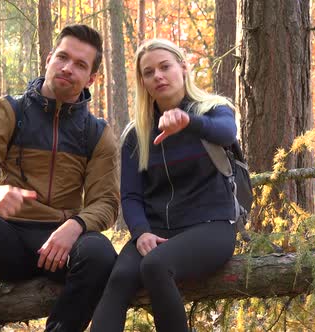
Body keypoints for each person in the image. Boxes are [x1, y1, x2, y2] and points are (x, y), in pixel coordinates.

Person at [0, 24, 119, 332]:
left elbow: (107, 202)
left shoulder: (97, 133)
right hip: (7, 240)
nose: (67, 67)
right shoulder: (7, 111)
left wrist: (75, 226)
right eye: (62, 57)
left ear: (91, 78)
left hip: (60, 247)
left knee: (100, 252)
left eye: (80, 64)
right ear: (48, 59)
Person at [90, 38, 238, 332]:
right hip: (157, 231)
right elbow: (131, 196)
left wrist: (188, 122)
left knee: (155, 265)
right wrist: (141, 232)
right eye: (148, 72)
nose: (157, 75)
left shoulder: (213, 109)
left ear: (183, 68)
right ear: (143, 82)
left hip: (213, 225)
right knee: (119, 278)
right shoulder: (136, 134)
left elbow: (227, 133)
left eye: (165, 67)